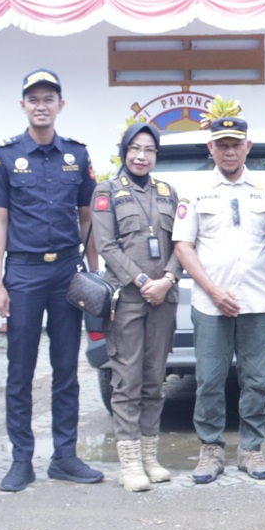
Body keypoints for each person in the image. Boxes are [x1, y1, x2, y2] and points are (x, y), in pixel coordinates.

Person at [0, 69, 103, 492]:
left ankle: (65, 456)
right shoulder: (3, 154)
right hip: (25, 273)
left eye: (48, 97)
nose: (41, 104)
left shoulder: (77, 155)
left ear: (60, 105)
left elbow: (87, 217)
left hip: (67, 272)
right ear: (23, 106)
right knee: (20, 369)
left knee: (66, 368)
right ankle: (21, 460)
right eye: (33, 98)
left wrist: (94, 273)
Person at [172, 113, 265, 484]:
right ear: (211, 148)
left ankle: (251, 448)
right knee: (209, 379)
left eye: (236, 144)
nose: (230, 151)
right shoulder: (196, 193)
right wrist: (214, 291)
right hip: (210, 303)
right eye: (222, 145)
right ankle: (211, 450)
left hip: (258, 302)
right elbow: (184, 247)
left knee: (257, 380)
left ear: (248, 147)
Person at [91, 122, 182, 493]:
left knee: (154, 380)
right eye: (135, 149)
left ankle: (149, 456)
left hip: (164, 298)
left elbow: (182, 242)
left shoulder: (168, 192)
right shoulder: (107, 191)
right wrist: (142, 282)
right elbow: (106, 246)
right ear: (124, 152)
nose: (142, 156)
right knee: (126, 380)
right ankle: (129, 462)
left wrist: (168, 279)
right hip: (127, 300)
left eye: (149, 150)